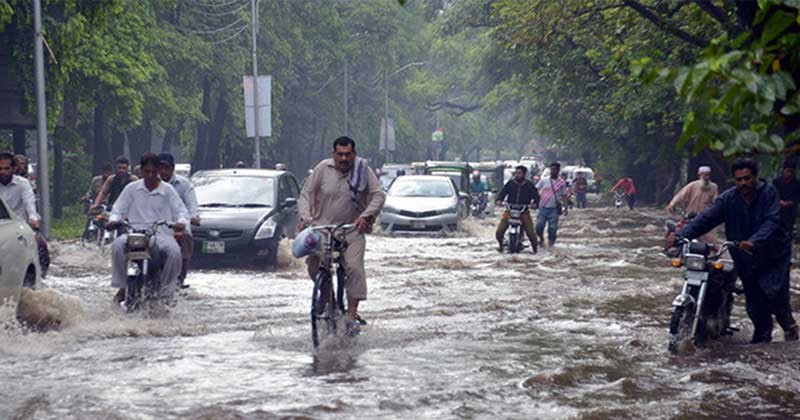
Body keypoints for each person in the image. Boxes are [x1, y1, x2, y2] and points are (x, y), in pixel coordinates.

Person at [677, 160, 798, 343]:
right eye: (739, 179)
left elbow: (772, 221)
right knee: (754, 299)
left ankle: (790, 328)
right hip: (744, 257)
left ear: (755, 178)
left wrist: (753, 241)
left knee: (775, 295)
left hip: (773, 254)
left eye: (747, 178)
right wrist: (680, 236)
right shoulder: (728, 199)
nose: (743, 183)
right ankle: (761, 339)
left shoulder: (769, 193)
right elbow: (706, 218)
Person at [298, 136, 386, 335]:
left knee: (354, 267)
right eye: (340, 155)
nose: (344, 159)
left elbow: (378, 195)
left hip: (352, 230)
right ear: (333, 154)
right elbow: (305, 194)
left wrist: (366, 216)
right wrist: (304, 216)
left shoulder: (363, 170)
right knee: (314, 265)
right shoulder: (322, 169)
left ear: (354, 154)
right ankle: (327, 295)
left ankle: (351, 315)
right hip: (323, 228)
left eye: (348, 155)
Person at [106, 153, 189, 304]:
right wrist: (113, 220)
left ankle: (167, 291)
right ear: (141, 171)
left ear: (158, 171)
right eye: (147, 171)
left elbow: (181, 211)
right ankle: (123, 286)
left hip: (161, 234)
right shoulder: (131, 189)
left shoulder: (168, 190)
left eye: (153, 171)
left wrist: (181, 223)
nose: (150, 175)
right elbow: (118, 209)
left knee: (174, 252)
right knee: (117, 245)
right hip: (135, 233)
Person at [0, 152, 49, 276]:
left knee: (41, 245)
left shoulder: (23, 183)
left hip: (20, 226)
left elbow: (29, 204)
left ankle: (41, 277)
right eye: (0, 169)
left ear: (13, 168)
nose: (3, 172)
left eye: (6, 168)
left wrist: (33, 219)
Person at [159, 153, 200, 289]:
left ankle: (180, 278)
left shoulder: (184, 184)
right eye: (161, 168)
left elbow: (192, 205)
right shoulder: (150, 183)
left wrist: (193, 216)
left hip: (177, 225)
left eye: (167, 168)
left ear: (173, 168)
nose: (163, 171)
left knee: (185, 238)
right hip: (154, 226)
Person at [666, 165, 719, 244]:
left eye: (708, 175)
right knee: (682, 237)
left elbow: (716, 202)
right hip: (690, 216)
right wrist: (672, 204)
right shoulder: (692, 185)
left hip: (706, 217)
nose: (707, 177)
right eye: (705, 175)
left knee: (710, 242)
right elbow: (680, 195)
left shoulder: (714, 187)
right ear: (700, 175)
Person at [495, 165, 539, 253]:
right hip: (510, 211)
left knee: (532, 235)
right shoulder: (510, 183)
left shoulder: (529, 185)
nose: (517, 175)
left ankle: (535, 250)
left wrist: (535, 204)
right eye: (516, 173)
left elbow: (536, 196)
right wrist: (499, 200)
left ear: (524, 174)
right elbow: (502, 193)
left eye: (519, 173)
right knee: (499, 232)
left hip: (523, 212)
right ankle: (501, 245)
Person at [536, 162, 569, 247]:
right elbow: (536, 190)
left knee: (552, 229)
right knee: (539, 227)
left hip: (554, 209)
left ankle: (551, 244)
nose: (553, 171)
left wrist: (566, 207)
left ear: (558, 171)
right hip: (542, 207)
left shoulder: (561, 182)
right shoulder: (544, 180)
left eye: (555, 169)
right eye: (552, 169)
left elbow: (564, 195)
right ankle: (541, 239)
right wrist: (533, 201)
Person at [772, 160, 800, 237]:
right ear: (784, 170)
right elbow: (772, 194)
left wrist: (791, 202)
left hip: (790, 212)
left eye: (791, 172)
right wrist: (780, 201)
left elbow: (798, 197)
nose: (789, 174)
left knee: (788, 232)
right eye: (787, 171)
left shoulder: (797, 183)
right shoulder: (776, 182)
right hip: (777, 210)